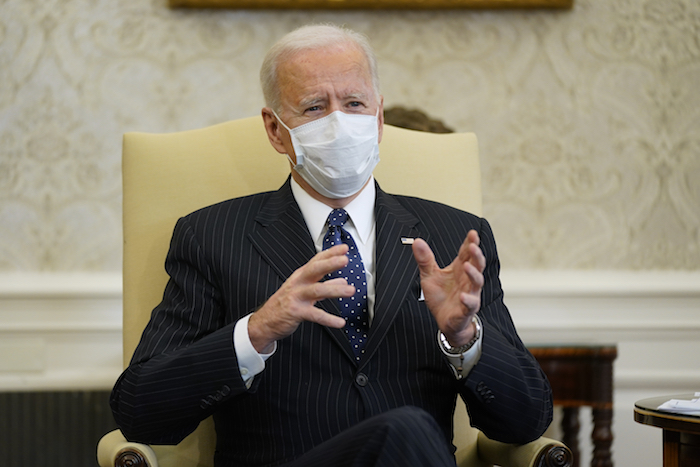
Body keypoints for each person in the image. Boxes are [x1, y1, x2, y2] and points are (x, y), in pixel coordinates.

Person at [110, 24, 553, 467]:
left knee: (407, 433)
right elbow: (141, 413)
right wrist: (256, 331)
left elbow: (526, 421)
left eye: (354, 103)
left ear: (378, 118)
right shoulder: (212, 237)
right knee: (407, 428)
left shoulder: (454, 237)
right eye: (314, 108)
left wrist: (465, 339)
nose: (339, 122)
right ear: (275, 130)